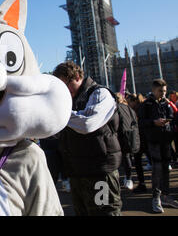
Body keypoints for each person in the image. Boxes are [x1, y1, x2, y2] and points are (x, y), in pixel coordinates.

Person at [53, 61, 122, 216]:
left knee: (104, 212)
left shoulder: (100, 93)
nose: (64, 91)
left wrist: (58, 112)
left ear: (77, 77)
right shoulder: (69, 99)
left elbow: (87, 123)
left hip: (100, 173)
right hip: (78, 172)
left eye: (66, 85)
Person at [138, 79, 178, 213]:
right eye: (161, 91)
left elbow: (172, 117)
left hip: (166, 139)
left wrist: (169, 122)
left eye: (165, 91)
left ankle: (166, 195)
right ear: (154, 90)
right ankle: (156, 197)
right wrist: (154, 122)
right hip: (154, 140)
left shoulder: (165, 103)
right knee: (157, 168)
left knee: (166, 168)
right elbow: (141, 122)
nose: (163, 94)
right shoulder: (146, 104)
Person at [126, 93, 149, 193]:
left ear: (133, 101)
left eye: (129, 102)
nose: (128, 104)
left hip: (140, 139)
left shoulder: (138, 110)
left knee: (138, 162)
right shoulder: (141, 107)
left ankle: (142, 184)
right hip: (144, 139)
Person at [115, 92, 136, 191]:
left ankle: (126, 179)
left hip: (119, 137)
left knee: (120, 159)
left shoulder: (115, 109)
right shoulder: (129, 108)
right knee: (127, 158)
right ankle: (128, 178)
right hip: (129, 136)